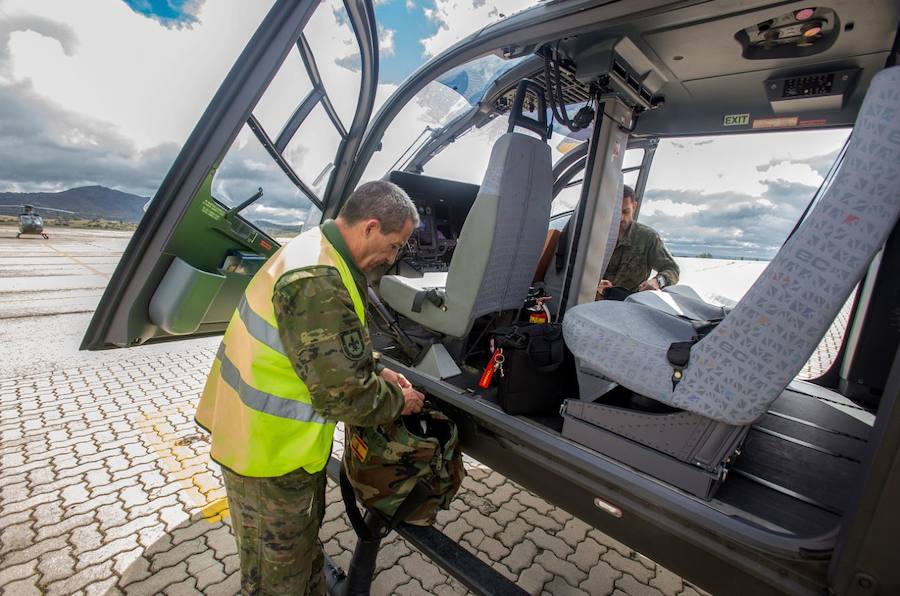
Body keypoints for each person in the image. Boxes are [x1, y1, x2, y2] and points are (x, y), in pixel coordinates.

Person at [195, 180, 426, 595]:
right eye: (394, 245)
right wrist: (400, 401)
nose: (392, 258)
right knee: (275, 580)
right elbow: (345, 396)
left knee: (300, 557)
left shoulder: (317, 249)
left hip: (271, 446)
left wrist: (376, 369)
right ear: (371, 226)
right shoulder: (316, 278)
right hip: (267, 455)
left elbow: (319, 347)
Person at [596, 185, 679, 300]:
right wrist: (594, 284)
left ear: (634, 207)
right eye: (615, 212)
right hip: (593, 305)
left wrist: (657, 281)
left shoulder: (647, 237)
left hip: (629, 306)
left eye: (625, 211)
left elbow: (672, 269)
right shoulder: (594, 235)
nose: (620, 218)